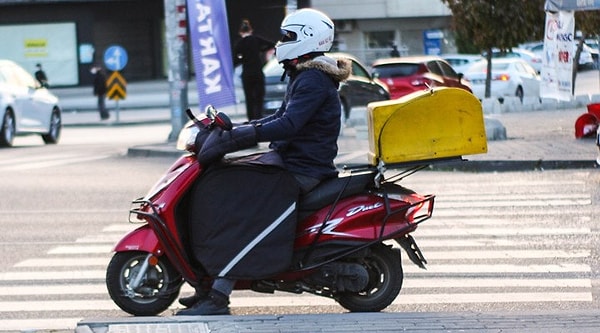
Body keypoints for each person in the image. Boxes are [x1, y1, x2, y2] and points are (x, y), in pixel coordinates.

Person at [176, 8, 351, 316]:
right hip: (291, 161)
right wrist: (241, 128)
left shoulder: (312, 79)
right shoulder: (306, 74)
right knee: (224, 184)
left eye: (288, 36)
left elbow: (289, 126)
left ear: (307, 38)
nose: (281, 41)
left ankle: (218, 296)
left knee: (242, 208)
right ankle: (208, 283)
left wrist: (246, 134)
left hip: (303, 169)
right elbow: (280, 118)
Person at [233, 19, 275, 121]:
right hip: (257, 72)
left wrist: (243, 59)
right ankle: (259, 118)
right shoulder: (256, 39)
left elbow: (235, 60)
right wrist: (260, 51)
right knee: (259, 97)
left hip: (247, 74)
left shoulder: (239, 43)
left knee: (249, 98)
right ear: (251, 30)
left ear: (240, 32)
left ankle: (251, 119)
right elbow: (271, 44)